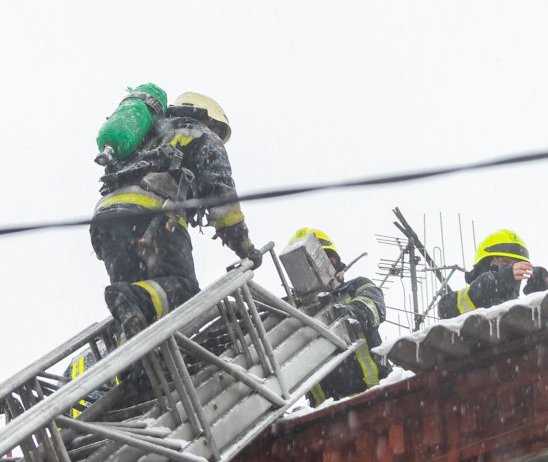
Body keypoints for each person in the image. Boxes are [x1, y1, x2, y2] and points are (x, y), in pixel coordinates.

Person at [91, 90, 261, 338]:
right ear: (209, 118)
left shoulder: (146, 137)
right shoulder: (201, 134)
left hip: (107, 222)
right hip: (152, 219)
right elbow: (222, 200)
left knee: (136, 312)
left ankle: (133, 357)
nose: (217, 135)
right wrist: (245, 248)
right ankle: (133, 300)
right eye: (217, 129)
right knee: (183, 292)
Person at [290, 228, 391, 406]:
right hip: (325, 414)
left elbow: (373, 307)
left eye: (318, 258)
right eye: (303, 265)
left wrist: (346, 312)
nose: (311, 269)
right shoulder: (292, 312)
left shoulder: (356, 287)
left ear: (334, 260)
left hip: (376, 399)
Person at [436, 229, 548, 318]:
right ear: (485, 264)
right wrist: (503, 278)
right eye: (505, 263)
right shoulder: (459, 301)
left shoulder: (517, 314)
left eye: (518, 267)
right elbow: (444, 308)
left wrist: (540, 296)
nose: (512, 270)